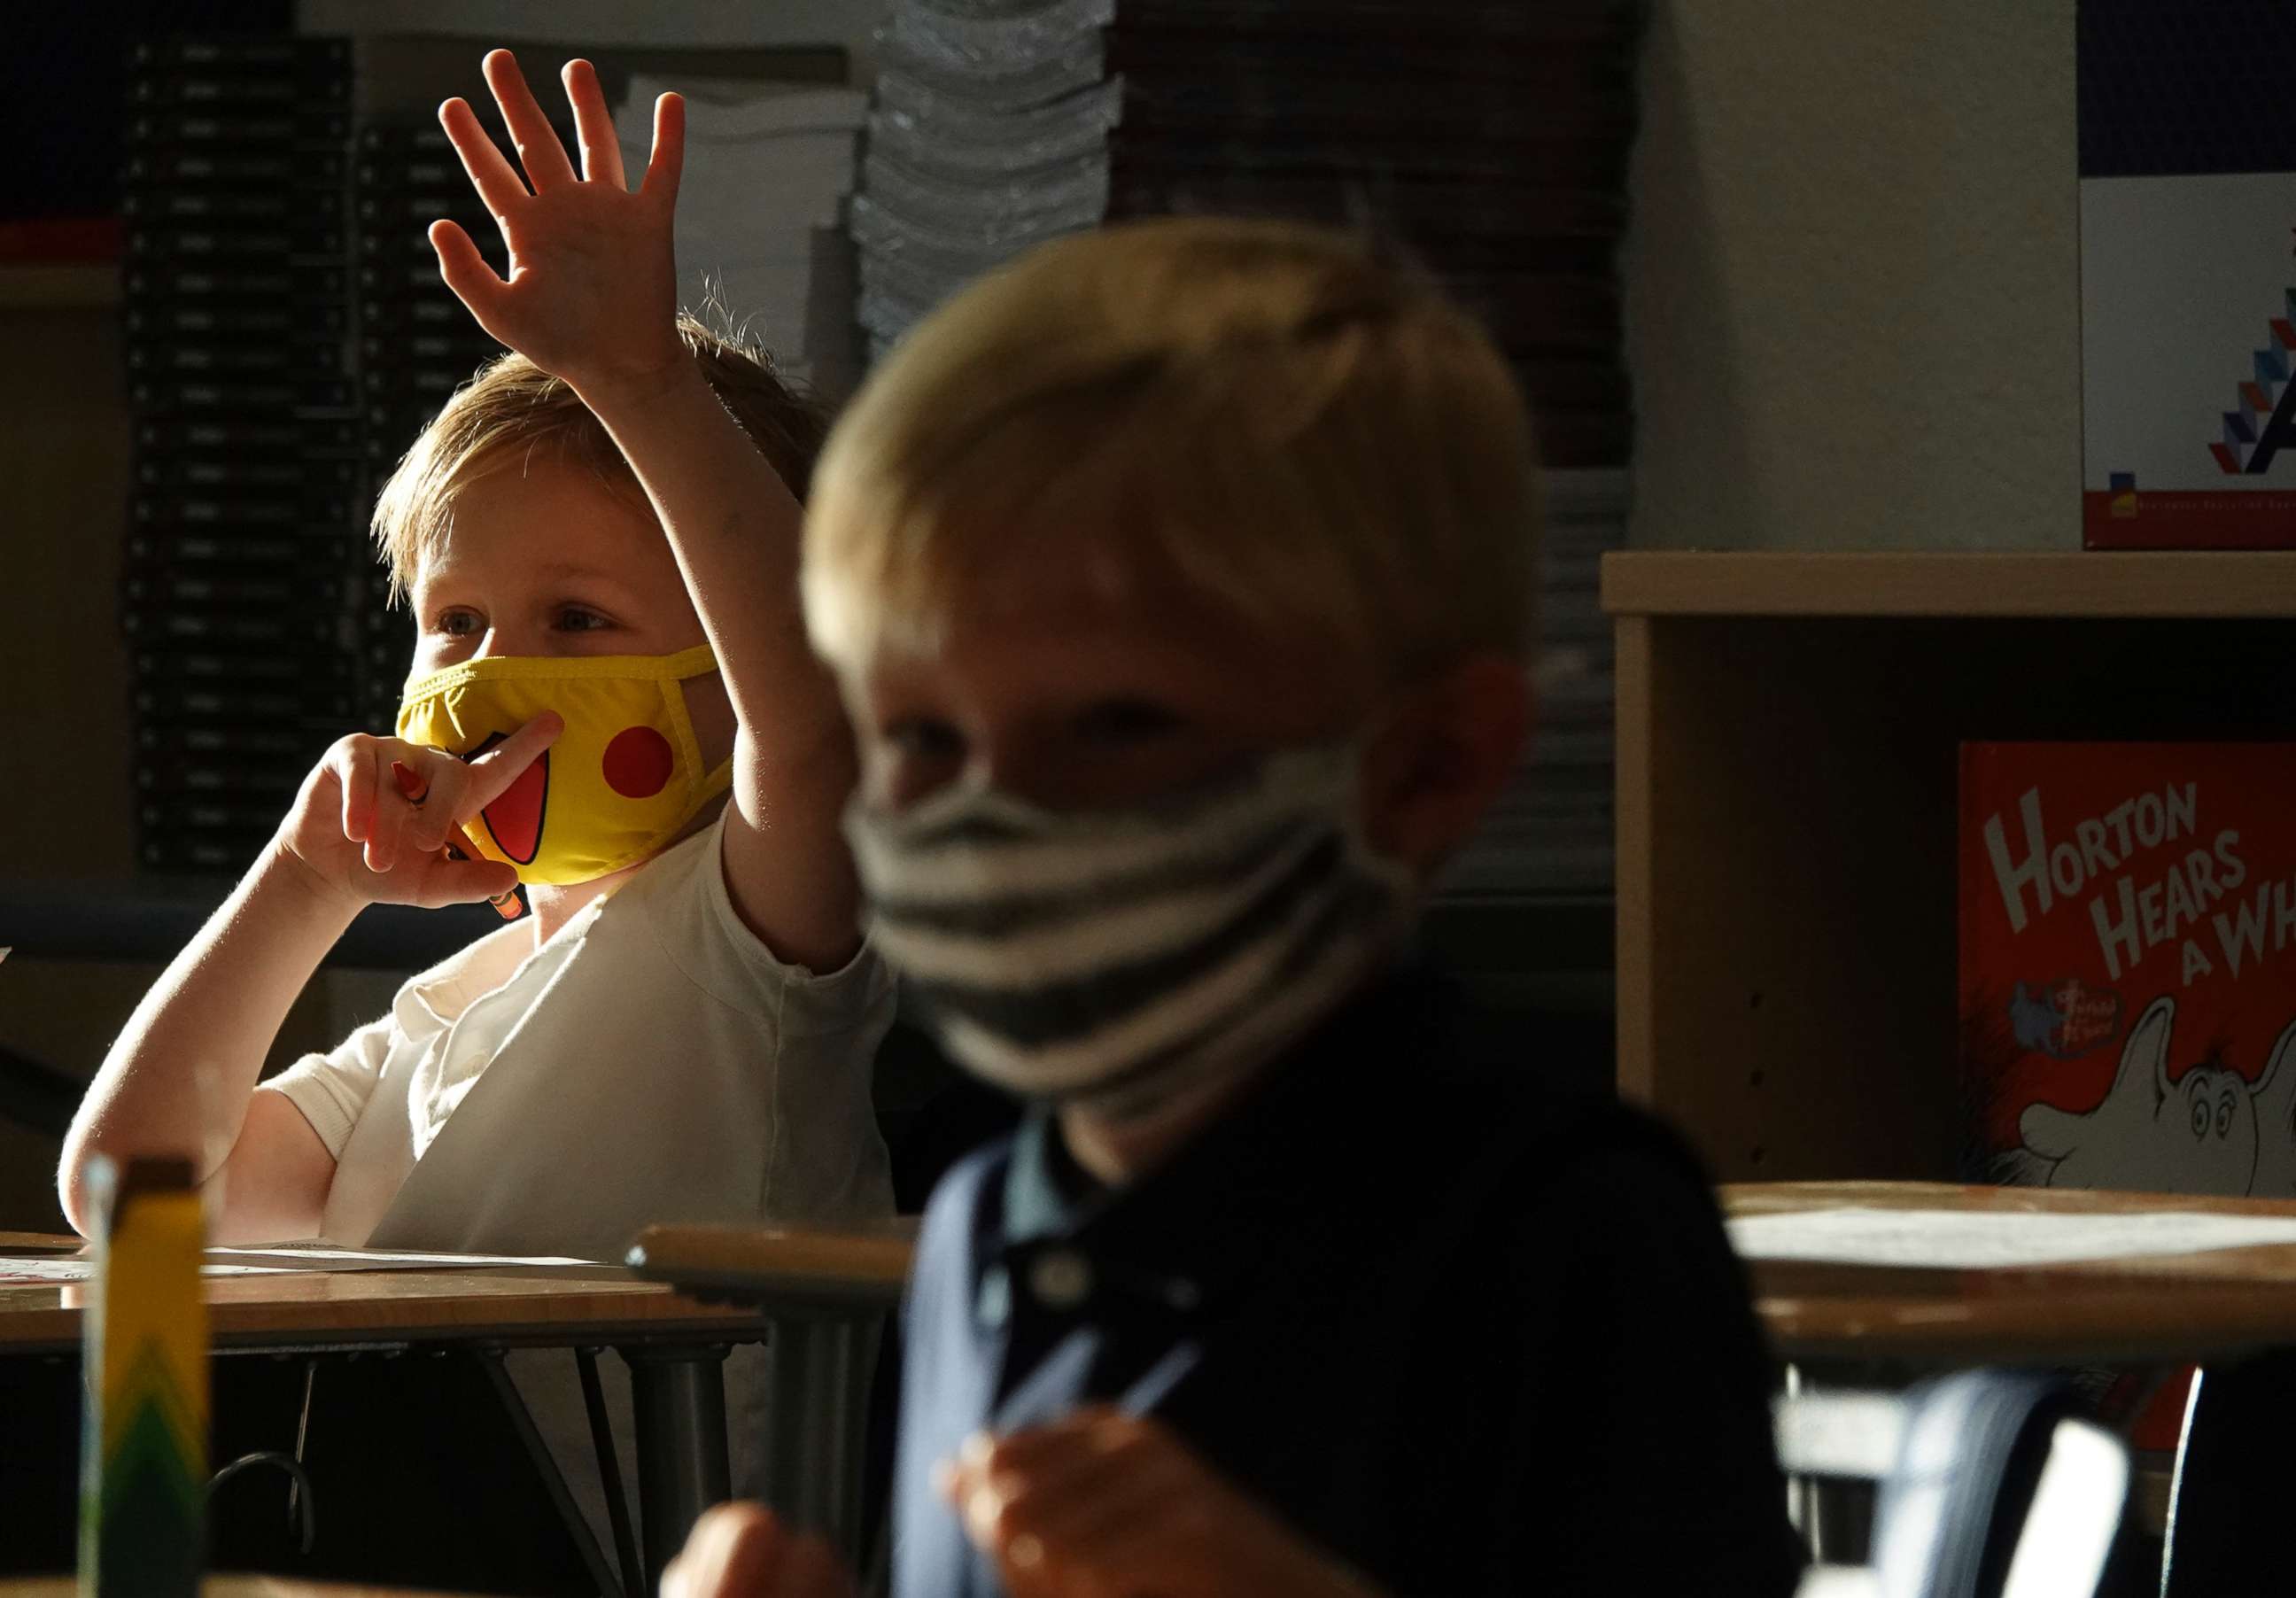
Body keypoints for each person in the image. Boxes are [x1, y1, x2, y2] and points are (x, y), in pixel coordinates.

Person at [663, 208, 1808, 1595]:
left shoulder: (1567, 1239)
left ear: (1428, 768)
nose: (993, 811)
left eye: (1119, 724)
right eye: (921, 741)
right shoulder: (978, 1226)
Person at [58, 49, 892, 1574]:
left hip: (615, 1552)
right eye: (456, 623)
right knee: (123, 1450)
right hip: (381, 1534)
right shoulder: (439, 1010)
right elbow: (133, 1200)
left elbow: (817, 728)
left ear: (724, 676)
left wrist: (638, 381)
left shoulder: (751, 935)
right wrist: (304, 882)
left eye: (578, 620)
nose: (500, 670)